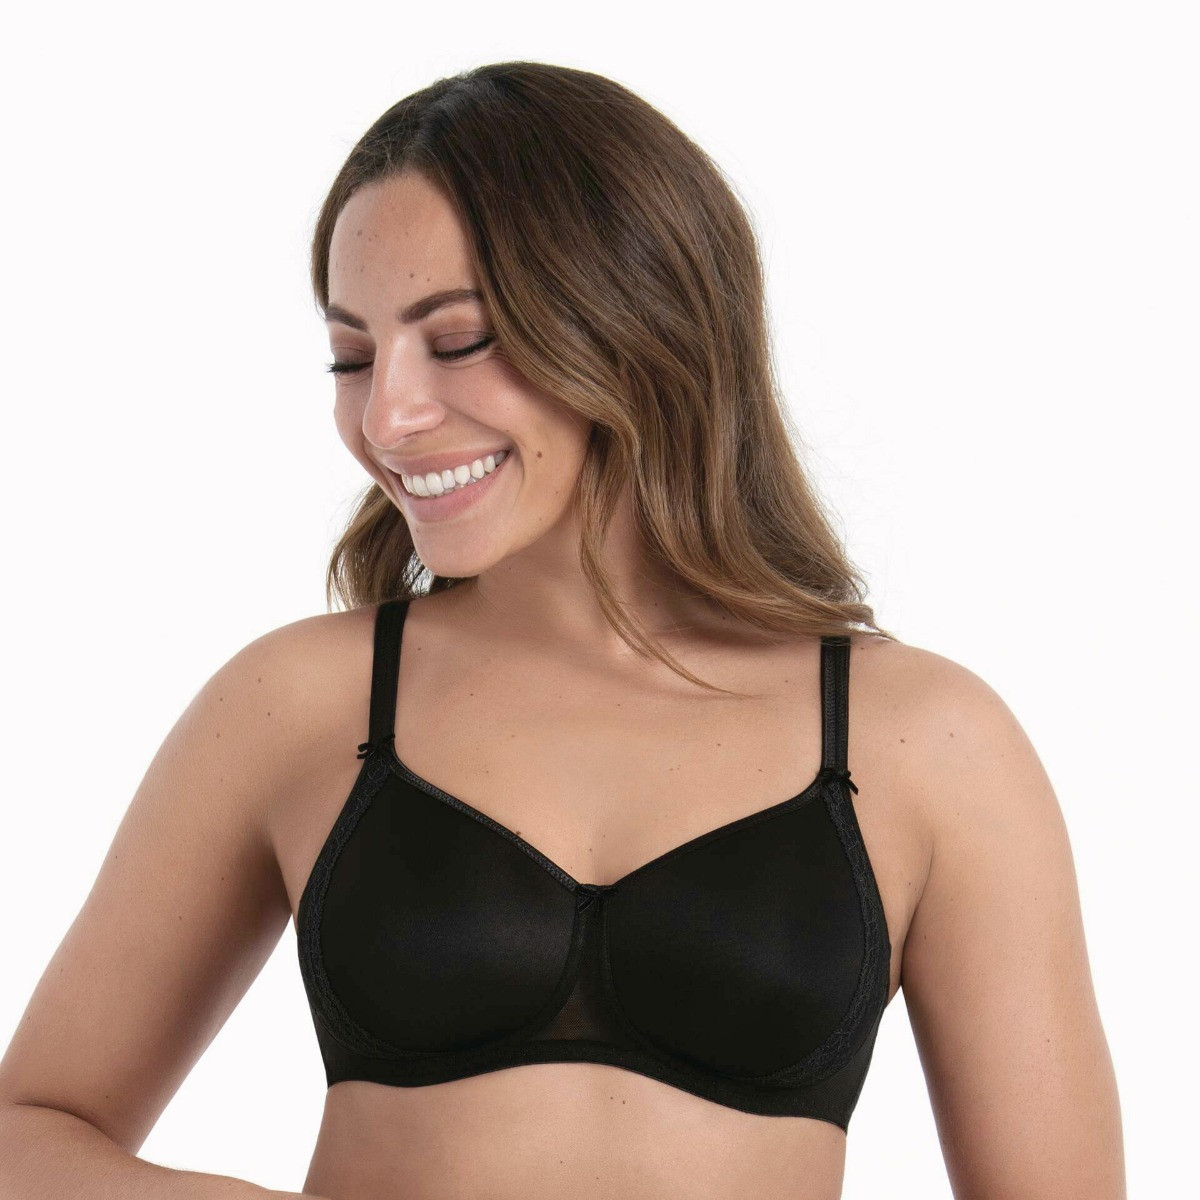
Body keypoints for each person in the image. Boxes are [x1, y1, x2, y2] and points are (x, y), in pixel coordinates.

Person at [0, 60, 1124, 1200]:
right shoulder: (298, 704)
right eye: (353, 356)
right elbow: (23, 1137)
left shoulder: (929, 742)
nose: (387, 415)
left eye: (457, 340)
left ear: (634, 323)